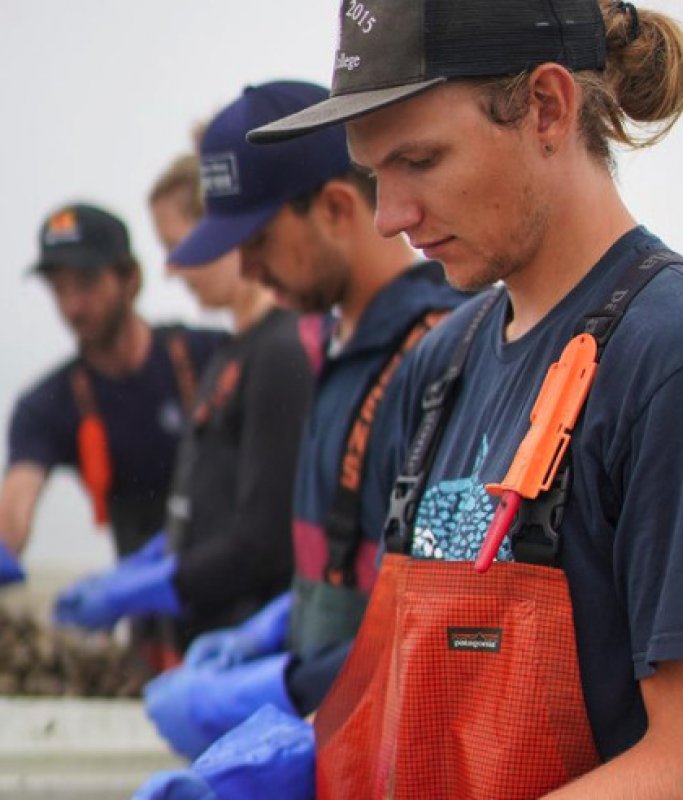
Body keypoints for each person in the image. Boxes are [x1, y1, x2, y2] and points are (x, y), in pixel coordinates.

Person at [172, 0, 683, 798]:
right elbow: (405, 683)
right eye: (373, 174)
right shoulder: (442, 365)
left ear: (546, 107)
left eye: (421, 161)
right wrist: (317, 751)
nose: (391, 216)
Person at [130, 78, 464, 791]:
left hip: (384, 752)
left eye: (256, 243)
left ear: (338, 208)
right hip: (332, 733)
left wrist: (280, 684)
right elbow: (346, 568)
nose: (246, 269)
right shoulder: (336, 355)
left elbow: (435, 626)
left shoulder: (437, 360)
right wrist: (281, 626)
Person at [53, 150, 316, 651]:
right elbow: (211, 501)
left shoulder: (281, 351)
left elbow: (266, 538)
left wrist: (160, 586)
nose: (172, 270)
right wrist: (161, 555)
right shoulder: (227, 351)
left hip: (248, 642)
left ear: (223, 231)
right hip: (202, 639)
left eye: (178, 246)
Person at [0, 203, 223, 588]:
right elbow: (18, 497)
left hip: (236, 593)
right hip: (144, 608)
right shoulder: (48, 405)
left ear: (130, 278)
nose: (72, 306)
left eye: (85, 283)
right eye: (58, 289)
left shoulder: (209, 358)